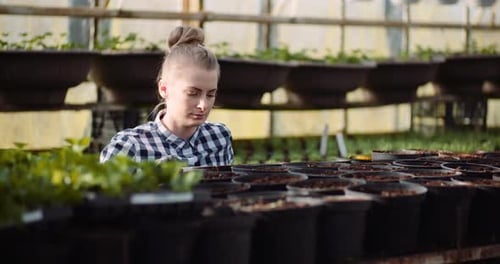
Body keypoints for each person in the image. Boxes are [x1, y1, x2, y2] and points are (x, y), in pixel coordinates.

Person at [100, 25, 234, 166]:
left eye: (211, 95)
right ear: (164, 89)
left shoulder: (219, 138)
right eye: (192, 93)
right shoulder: (130, 147)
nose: (203, 105)